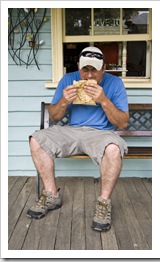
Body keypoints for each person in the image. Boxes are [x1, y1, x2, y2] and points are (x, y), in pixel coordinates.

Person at [27, 46, 129, 232]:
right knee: (37, 139)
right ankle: (51, 195)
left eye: (94, 70)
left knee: (114, 149)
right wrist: (64, 101)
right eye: (85, 69)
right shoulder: (68, 80)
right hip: (72, 131)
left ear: (104, 69)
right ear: (78, 67)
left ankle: (104, 203)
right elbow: (55, 116)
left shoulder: (115, 83)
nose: (89, 76)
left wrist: (104, 100)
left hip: (101, 134)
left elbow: (122, 123)